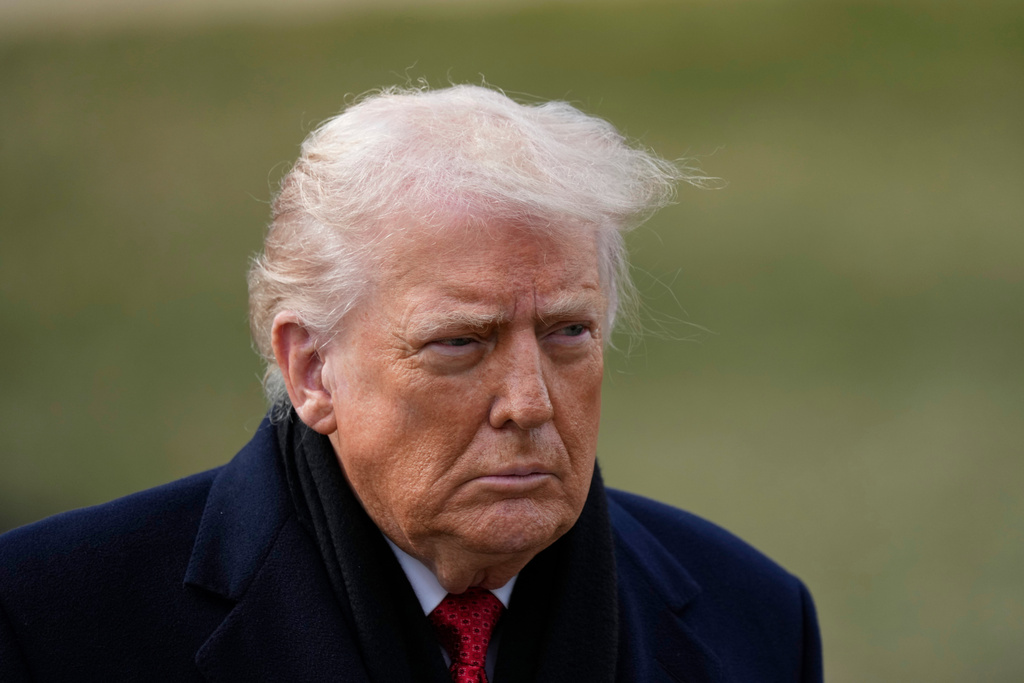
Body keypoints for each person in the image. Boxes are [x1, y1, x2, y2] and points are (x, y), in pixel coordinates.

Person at [0, 84, 822, 682]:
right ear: (312, 368)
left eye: (568, 331)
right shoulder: (48, 621)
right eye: (460, 342)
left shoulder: (752, 619)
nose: (530, 403)